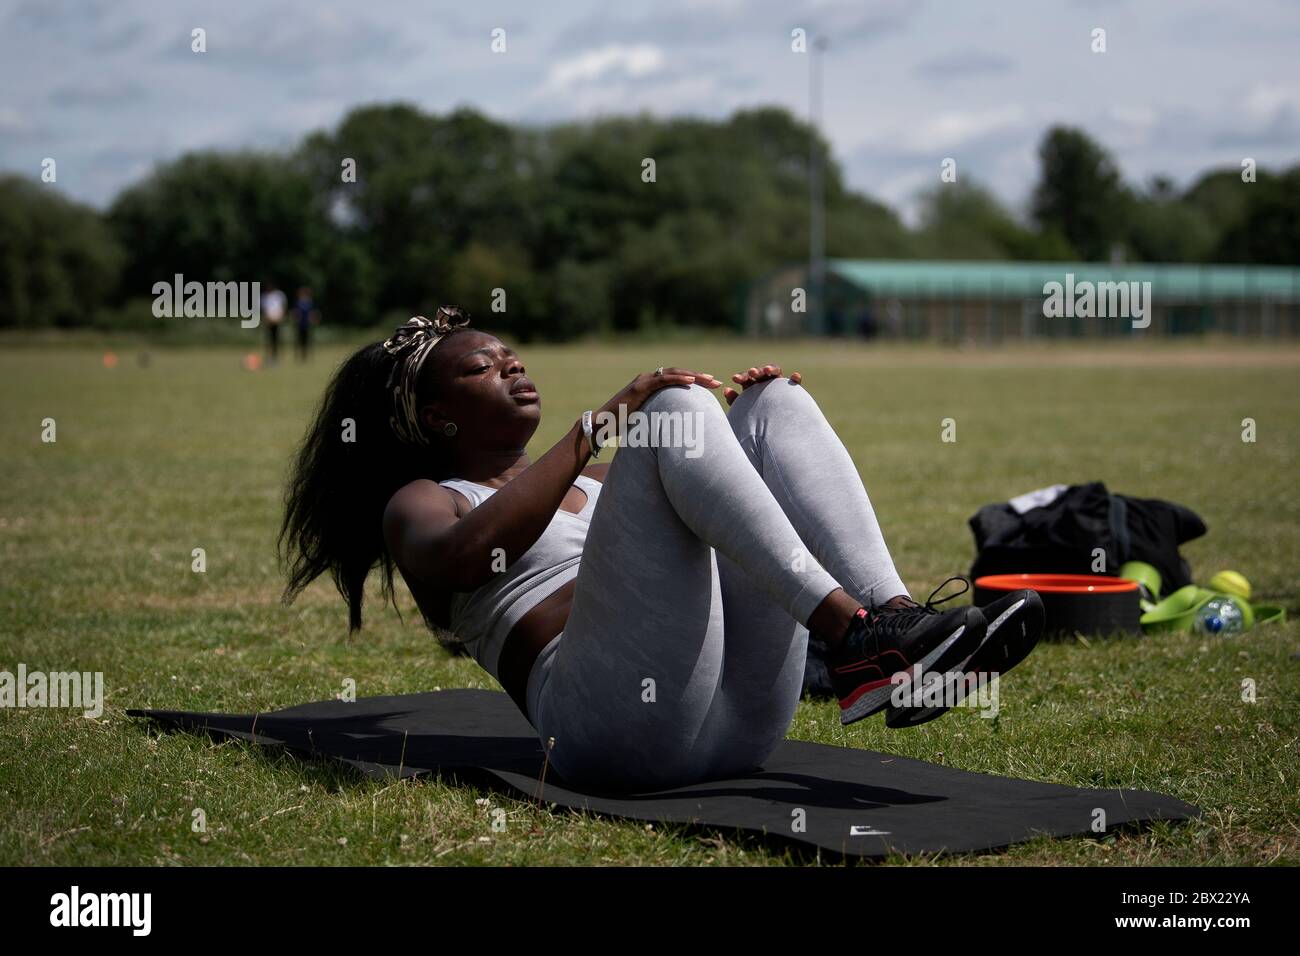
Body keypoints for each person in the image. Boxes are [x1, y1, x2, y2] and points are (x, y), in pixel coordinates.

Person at [279, 310, 1042, 793]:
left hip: (742, 721)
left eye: (512, 356)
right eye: (481, 366)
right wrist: (604, 420)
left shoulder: (617, 480)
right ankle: (853, 636)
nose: (511, 366)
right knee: (674, 408)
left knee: (776, 403)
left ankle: (893, 633)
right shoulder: (424, 502)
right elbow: (461, 560)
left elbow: (723, 503)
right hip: (610, 732)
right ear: (437, 418)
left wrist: (754, 437)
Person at [261, 284, 287, 363]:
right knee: (268, 340)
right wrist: (267, 319)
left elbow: (282, 307)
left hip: (277, 321)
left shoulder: (279, 295)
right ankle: (268, 357)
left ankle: (275, 357)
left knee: (276, 340)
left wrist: (279, 317)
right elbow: (264, 309)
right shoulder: (264, 296)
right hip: (268, 321)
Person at [292, 286, 319, 362]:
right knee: (298, 341)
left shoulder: (309, 302)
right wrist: (295, 319)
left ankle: (306, 356)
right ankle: (298, 356)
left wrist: (314, 319)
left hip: (307, 324)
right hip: (299, 324)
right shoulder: (297, 302)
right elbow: (295, 313)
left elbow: (313, 312)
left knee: (307, 341)